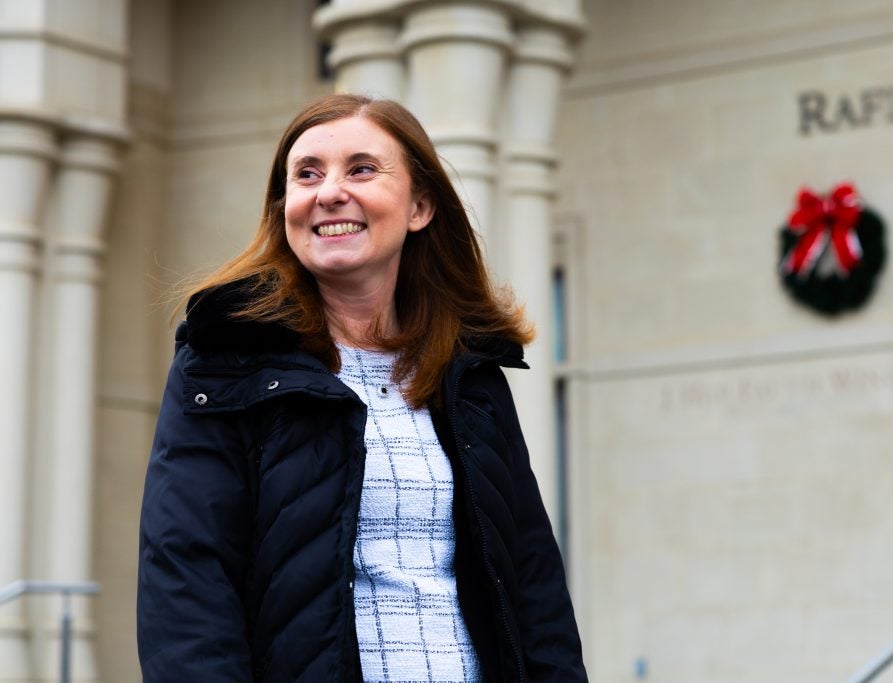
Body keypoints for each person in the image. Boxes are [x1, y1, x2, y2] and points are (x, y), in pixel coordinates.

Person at [136, 93, 587, 683]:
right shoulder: (224, 358)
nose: (329, 192)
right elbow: (187, 575)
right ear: (285, 208)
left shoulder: (469, 372)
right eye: (306, 175)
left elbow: (532, 583)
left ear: (420, 205)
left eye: (362, 169)